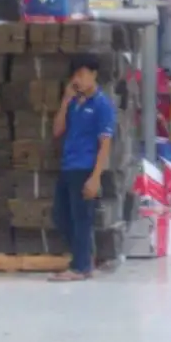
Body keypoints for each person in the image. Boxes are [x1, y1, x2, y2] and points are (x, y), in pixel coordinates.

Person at [50, 52, 117, 282]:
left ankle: (80, 267)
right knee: (60, 215)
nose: (78, 79)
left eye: (82, 74)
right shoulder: (74, 103)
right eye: (75, 75)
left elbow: (105, 144)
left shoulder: (102, 105)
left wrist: (95, 177)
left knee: (81, 219)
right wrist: (65, 101)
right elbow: (57, 131)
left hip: (85, 168)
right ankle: (85, 258)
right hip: (67, 166)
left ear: (94, 74)